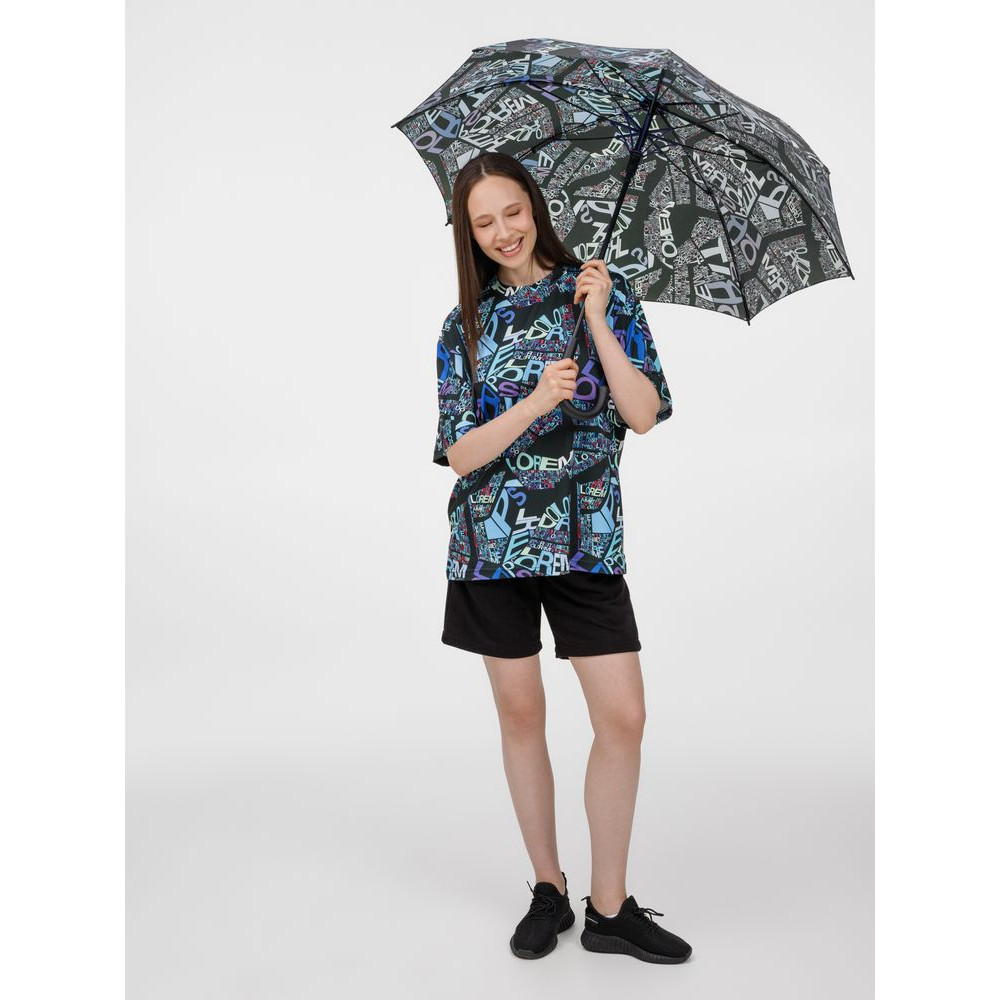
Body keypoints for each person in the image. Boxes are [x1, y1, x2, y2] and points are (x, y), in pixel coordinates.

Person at [433, 152, 692, 965]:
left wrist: (602, 321)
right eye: (484, 222)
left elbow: (642, 414)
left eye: (512, 211)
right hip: (492, 545)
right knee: (522, 717)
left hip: (587, 540)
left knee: (623, 718)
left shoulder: (601, 293)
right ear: (468, 233)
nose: (503, 231)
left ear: (535, 207)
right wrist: (538, 400)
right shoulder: (462, 326)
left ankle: (609, 908)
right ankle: (548, 887)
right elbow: (461, 454)